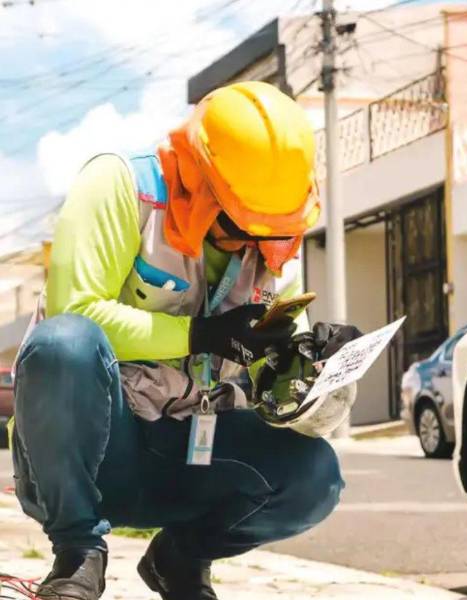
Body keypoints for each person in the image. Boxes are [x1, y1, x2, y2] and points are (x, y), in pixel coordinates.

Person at [10, 81, 358, 600]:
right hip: (97, 452)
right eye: (245, 227)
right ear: (200, 187)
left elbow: (289, 411)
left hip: (192, 454)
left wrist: (321, 372)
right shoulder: (120, 187)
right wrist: (200, 335)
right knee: (63, 343)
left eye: (271, 232)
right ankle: (78, 553)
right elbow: (74, 310)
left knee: (316, 475)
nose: (257, 245)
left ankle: (181, 560)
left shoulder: (272, 245)